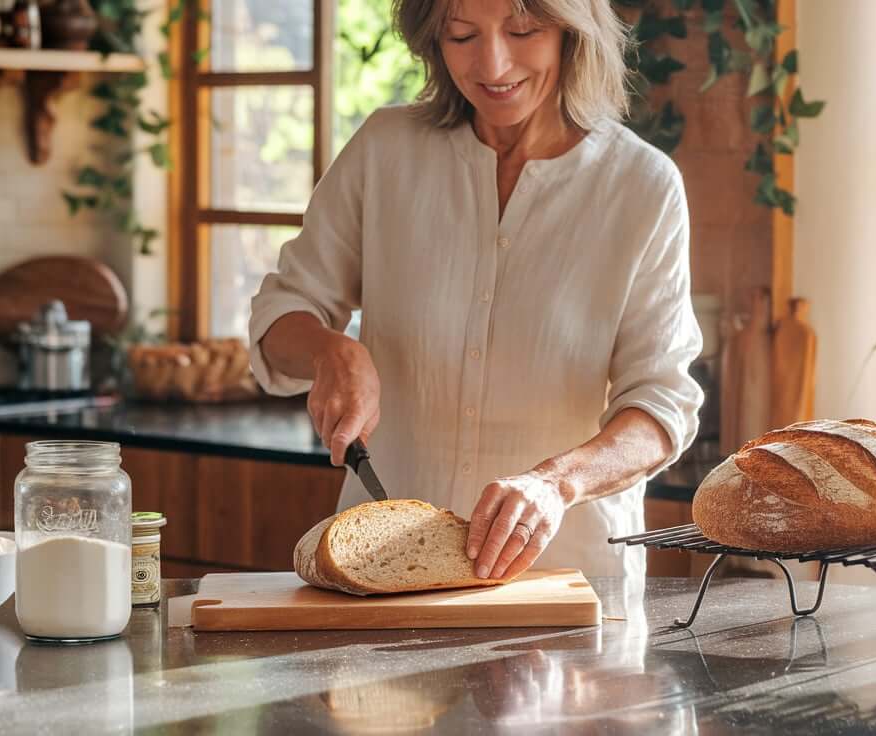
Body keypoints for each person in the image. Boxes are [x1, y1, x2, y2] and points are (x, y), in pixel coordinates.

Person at [249, 0, 702, 582]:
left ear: (573, 32)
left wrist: (555, 483)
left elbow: (661, 407)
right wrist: (329, 350)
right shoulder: (385, 151)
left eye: (522, 31)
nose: (492, 63)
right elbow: (283, 310)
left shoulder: (642, 187)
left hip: (565, 584)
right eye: (462, 35)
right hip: (379, 576)